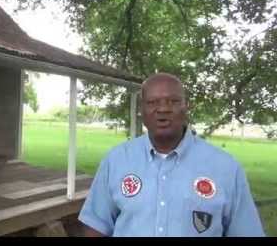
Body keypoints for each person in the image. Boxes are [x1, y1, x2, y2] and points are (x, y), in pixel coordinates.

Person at [78, 73, 265, 237]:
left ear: (186, 107)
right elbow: (96, 226)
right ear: (142, 110)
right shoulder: (116, 161)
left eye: (173, 101)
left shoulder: (226, 168)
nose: (163, 109)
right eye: (152, 102)